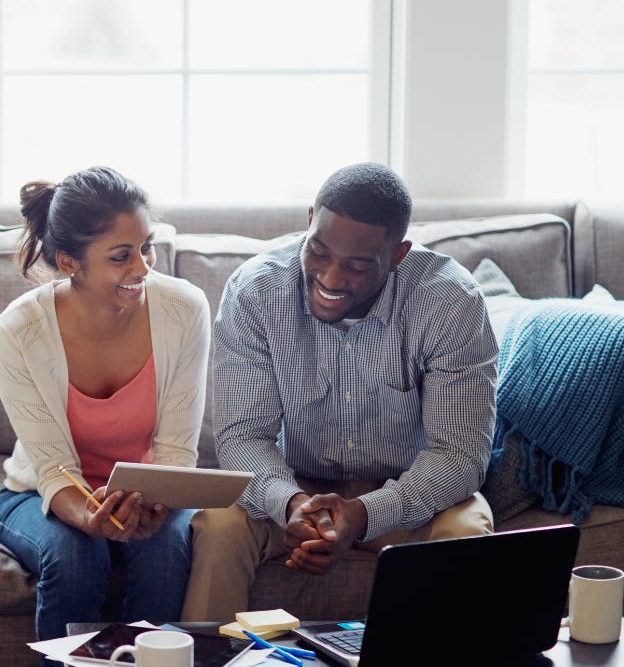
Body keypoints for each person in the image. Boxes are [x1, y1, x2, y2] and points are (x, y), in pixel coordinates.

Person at [182, 162, 498, 622]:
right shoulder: (256, 291)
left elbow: (460, 455)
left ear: (397, 254)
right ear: (310, 220)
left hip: (404, 495)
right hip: (295, 488)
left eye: (356, 266)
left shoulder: (450, 303)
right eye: (320, 251)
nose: (330, 278)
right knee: (219, 524)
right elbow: (242, 438)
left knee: (467, 529)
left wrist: (364, 514)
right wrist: (290, 504)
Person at [0, 166, 211, 647]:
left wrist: (157, 503)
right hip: (41, 494)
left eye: (146, 247)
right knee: (76, 554)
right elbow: (53, 470)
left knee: (167, 546)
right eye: (120, 257)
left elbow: (176, 452)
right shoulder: (19, 331)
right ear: (70, 262)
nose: (143, 269)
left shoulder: (184, 310)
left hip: (147, 491)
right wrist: (91, 520)